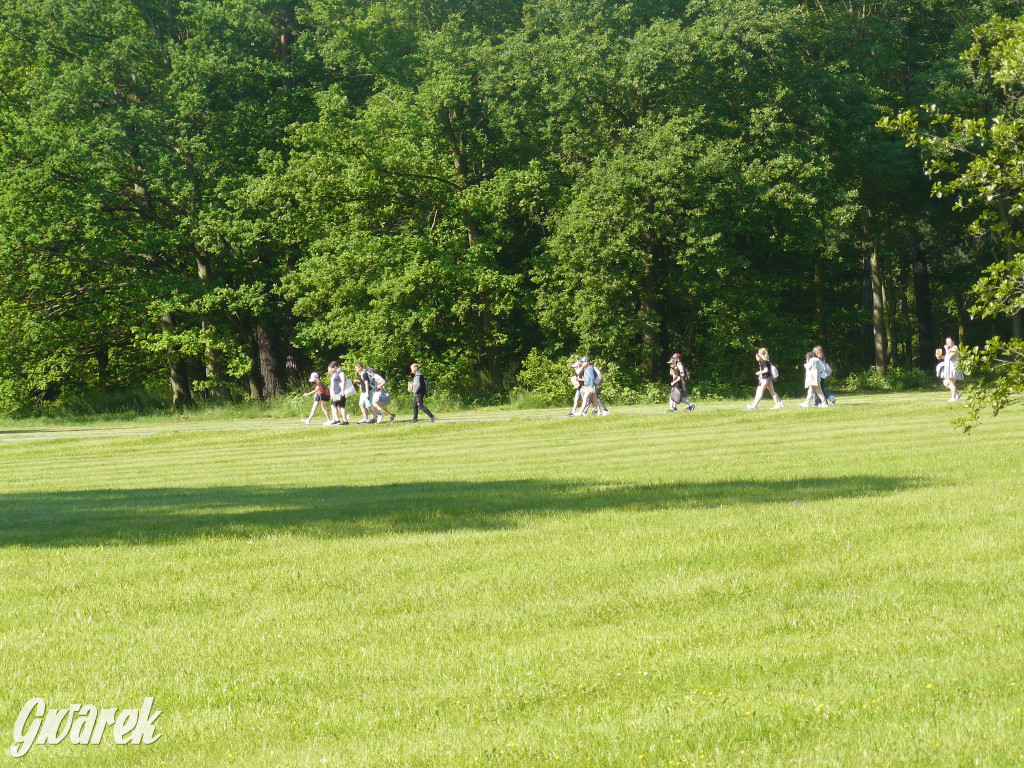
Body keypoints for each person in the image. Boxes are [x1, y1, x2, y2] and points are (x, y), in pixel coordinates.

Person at [327, 361, 350, 425]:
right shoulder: (336, 372)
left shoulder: (340, 371)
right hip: (336, 392)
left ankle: (345, 421)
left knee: (342, 406)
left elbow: (344, 380)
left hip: (340, 391)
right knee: (333, 405)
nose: (332, 370)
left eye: (332, 368)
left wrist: (342, 391)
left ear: (334, 366)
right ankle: (336, 420)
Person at [942, 337, 964, 401]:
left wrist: (946, 349)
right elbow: (947, 356)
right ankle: (958, 393)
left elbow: (950, 357)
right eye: (947, 342)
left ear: (953, 341)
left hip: (953, 368)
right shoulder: (950, 349)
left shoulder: (955, 348)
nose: (948, 343)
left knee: (951, 383)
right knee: (946, 383)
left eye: (949, 341)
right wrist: (942, 357)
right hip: (949, 368)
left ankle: (953, 398)